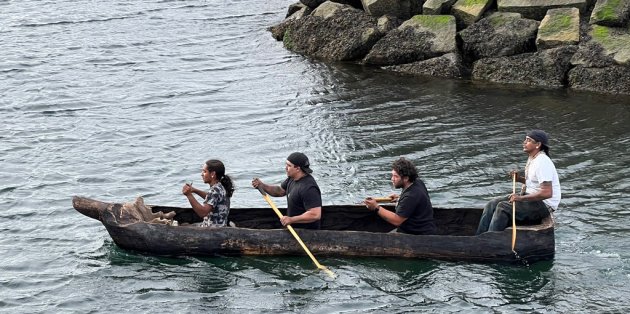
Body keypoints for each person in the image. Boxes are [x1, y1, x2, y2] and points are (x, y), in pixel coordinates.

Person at [476, 130, 561, 235]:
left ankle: (491, 240)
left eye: (528, 140)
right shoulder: (533, 158)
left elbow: (546, 193)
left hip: (544, 205)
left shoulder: (542, 161)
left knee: (503, 208)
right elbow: (534, 183)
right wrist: (519, 179)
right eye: (525, 139)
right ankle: (480, 236)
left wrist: (520, 198)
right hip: (532, 199)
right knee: (492, 204)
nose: (524, 142)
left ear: (538, 145)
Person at [363, 157, 437, 235]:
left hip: (417, 234)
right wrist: (399, 198)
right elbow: (414, 200)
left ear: (406, 178)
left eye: (396, 176)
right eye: (392, 175)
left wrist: (376, 207)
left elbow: (397, 220)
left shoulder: (410, 196)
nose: (392, 179)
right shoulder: (417, 182)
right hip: (423, 228)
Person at [251, 152, 322, 229]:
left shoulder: (308, 188)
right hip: (292, 227)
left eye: (289, 166)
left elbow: (315, 214)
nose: (286, 168)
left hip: (306, 232)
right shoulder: (292, 178)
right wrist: (263, 186)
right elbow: (280, 191)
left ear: (298, 168)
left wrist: (291, 219)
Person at [182, 159, 235, 227]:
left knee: (184, 226)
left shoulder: (215, 190)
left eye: (204, 171)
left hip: (212, 230)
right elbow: (211, 198)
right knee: (186, 225)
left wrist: (189, 195)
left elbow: (203, 213)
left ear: (212, 174)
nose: (201, 174)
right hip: (221, 227)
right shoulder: (220, 186)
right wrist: (195, 190)